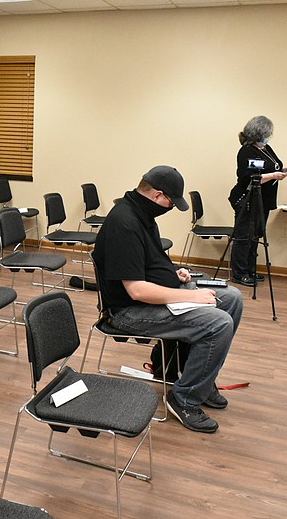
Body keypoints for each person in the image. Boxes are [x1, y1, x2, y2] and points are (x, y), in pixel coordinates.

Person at [93, 166, 244, 433]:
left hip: (152, 299)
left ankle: (201, 381)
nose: (171, 208)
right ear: (158, 196)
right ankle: (184, 398)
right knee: (218, 322)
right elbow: (137, 291)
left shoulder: (142, 214)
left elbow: (149, 262)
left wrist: (174, 272)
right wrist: (194, 297)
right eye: (171, 203)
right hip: (129, 312)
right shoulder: (124, 223)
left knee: (232, 297)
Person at [228, 115, 287, 286]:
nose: (270, 136)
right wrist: (273, 175)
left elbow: (272, 166)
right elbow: (247, 177)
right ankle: (239, 274)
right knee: (244, 237)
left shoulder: (266, 149)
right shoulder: (246, 151)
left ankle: (250, 270)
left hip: (263, 201)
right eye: (268, 133)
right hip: (247, 200)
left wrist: (285, 170)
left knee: (255, 235)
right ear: (258, 133)